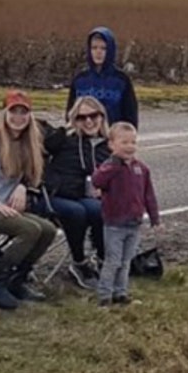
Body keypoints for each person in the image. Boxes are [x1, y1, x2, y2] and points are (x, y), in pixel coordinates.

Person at [0, 90, 59, 310]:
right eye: (13, 111)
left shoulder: (29, 143)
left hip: (5, 206)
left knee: (48, 229)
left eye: (23, 112)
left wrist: (23, 187)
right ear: (4, 113)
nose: (18, 117)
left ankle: (18, 280)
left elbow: (34, 172)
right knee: (30, 230)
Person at [38, 96, 110, 289]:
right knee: (76, 211)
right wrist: (63, 131)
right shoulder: (64, 139)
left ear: (102, 116)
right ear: (74, 120)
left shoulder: (109, 145)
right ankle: (79, 263)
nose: (88, 121)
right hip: (54, 195)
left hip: (86, 197)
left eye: (93, 115)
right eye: (81, 117)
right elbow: (41, 148)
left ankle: (105, 261)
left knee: (100, 209)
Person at [90, 121, 160, 307]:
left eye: (133, 142)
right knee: (113, 261)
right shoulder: (109, 167)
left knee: (126, 261)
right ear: (112, 145)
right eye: (124, 142)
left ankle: (121, 293)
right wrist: (113, 164)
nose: (130, 147)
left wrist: (154, 217)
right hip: (114, 223)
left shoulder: (141, 169)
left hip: (134, 222)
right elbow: (96, 181)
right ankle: (105, 296)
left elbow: (148, 194)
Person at [66, 26, 139, 129]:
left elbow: (130, 116)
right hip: (85, 137)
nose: (98, 52)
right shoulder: (80, 80)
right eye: (94, 48)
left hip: (112, 137)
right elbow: (71, 113)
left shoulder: (121, 80)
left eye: (103, 48)